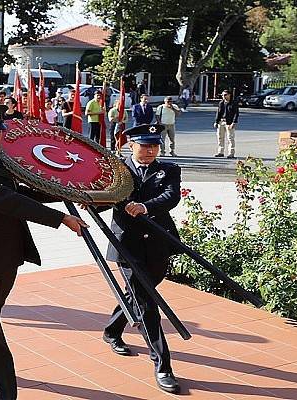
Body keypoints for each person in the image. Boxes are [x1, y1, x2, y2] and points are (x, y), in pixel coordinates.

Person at [0, 104, 87, 399]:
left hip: (6, 258)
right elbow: (7, 200)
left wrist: (69, 192)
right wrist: (60, 219)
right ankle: (3, 393)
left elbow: (25, 192)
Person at [100, 124, 182, 394]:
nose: (150, 151)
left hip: (158, 243)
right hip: (127, 245)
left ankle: (112, 331)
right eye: (144, 146)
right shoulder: (116, 169)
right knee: (147, 302)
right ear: (130, 145)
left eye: (154, 146)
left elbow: (171, 196)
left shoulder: (169, 169)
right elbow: (103, 196)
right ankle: (162, 365)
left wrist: (146, 206)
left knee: (137, 292)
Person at [213, 90, 239, 158]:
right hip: (221, 122)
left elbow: (236, 113)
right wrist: (216, 121)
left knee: (230, 138)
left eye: (225, 95)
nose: (223, 96)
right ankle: (220, 152)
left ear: (229, 95)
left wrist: (234, 122)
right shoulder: (221, 103)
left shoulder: (233, 103)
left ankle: (231, 153)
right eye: (222, 95)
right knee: (220, 138)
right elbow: (218, 113)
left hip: (229, 123)